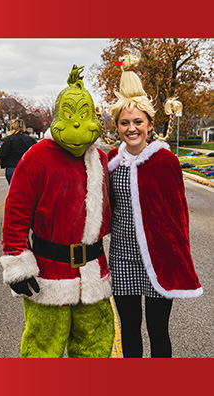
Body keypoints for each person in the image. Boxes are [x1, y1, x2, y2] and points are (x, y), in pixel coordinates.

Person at [0, 65, 113, 358]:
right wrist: (17, 263)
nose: (77, 125)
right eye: (69, 115)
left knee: (95, 348)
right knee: (42, 348)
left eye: (83, 115)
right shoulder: (36, 158)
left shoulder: (100, 158)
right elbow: (16, 215)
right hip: (48, 277)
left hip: (94, 277)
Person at [105, 55, 201, 358]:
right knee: (129, 327)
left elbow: (178, 214)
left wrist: (177, 254)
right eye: (124, 122)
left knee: (158, 329)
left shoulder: (165, 161)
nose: (131, 128)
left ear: (149, 124)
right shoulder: (111, 162)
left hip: (159, 256)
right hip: (122, 257)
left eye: (138, 122)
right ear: (117, 126)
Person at [0, 119, 36, 184]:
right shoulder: (30, 139)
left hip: (12, 167)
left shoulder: (9, 139)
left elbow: (2, 153)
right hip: (27, 168)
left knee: (15, 191)